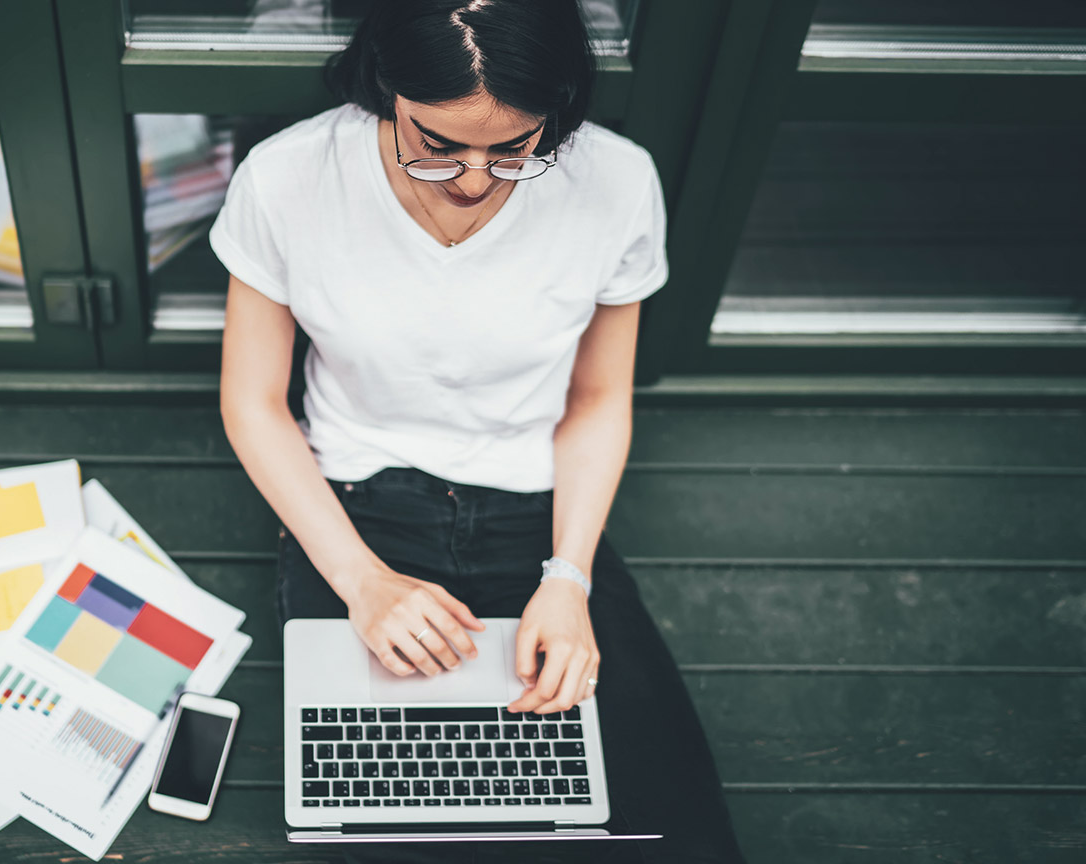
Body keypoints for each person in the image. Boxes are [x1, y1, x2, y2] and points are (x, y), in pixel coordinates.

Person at [211, 1, 745, 861]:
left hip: (538, 505)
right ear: (387, 87)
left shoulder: (617, 183)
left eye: (512, 148)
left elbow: (599, 399)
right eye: (438, 144)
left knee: (661, 828)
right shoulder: (287, 179)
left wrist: (569, 577)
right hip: (354, 500)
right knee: (383, 812)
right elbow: (253, 402)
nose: (471, 179)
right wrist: (361, 580)